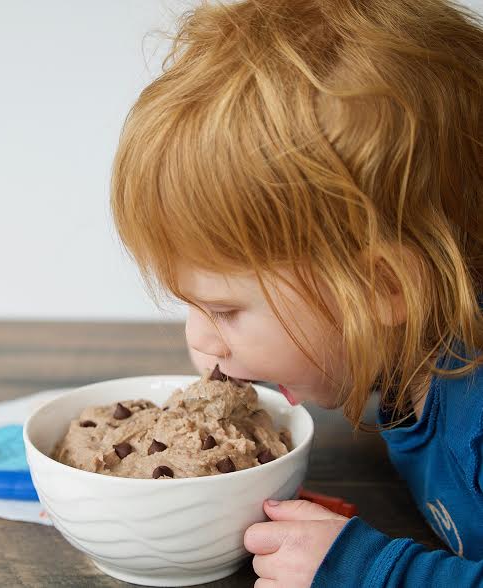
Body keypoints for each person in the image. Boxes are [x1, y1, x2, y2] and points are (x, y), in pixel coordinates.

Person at [109, 0, 483, 585]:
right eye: (193, 305)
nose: (200, 342)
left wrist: (366, 569)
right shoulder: (410, 353)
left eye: (224, 310)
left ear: (382, 286)